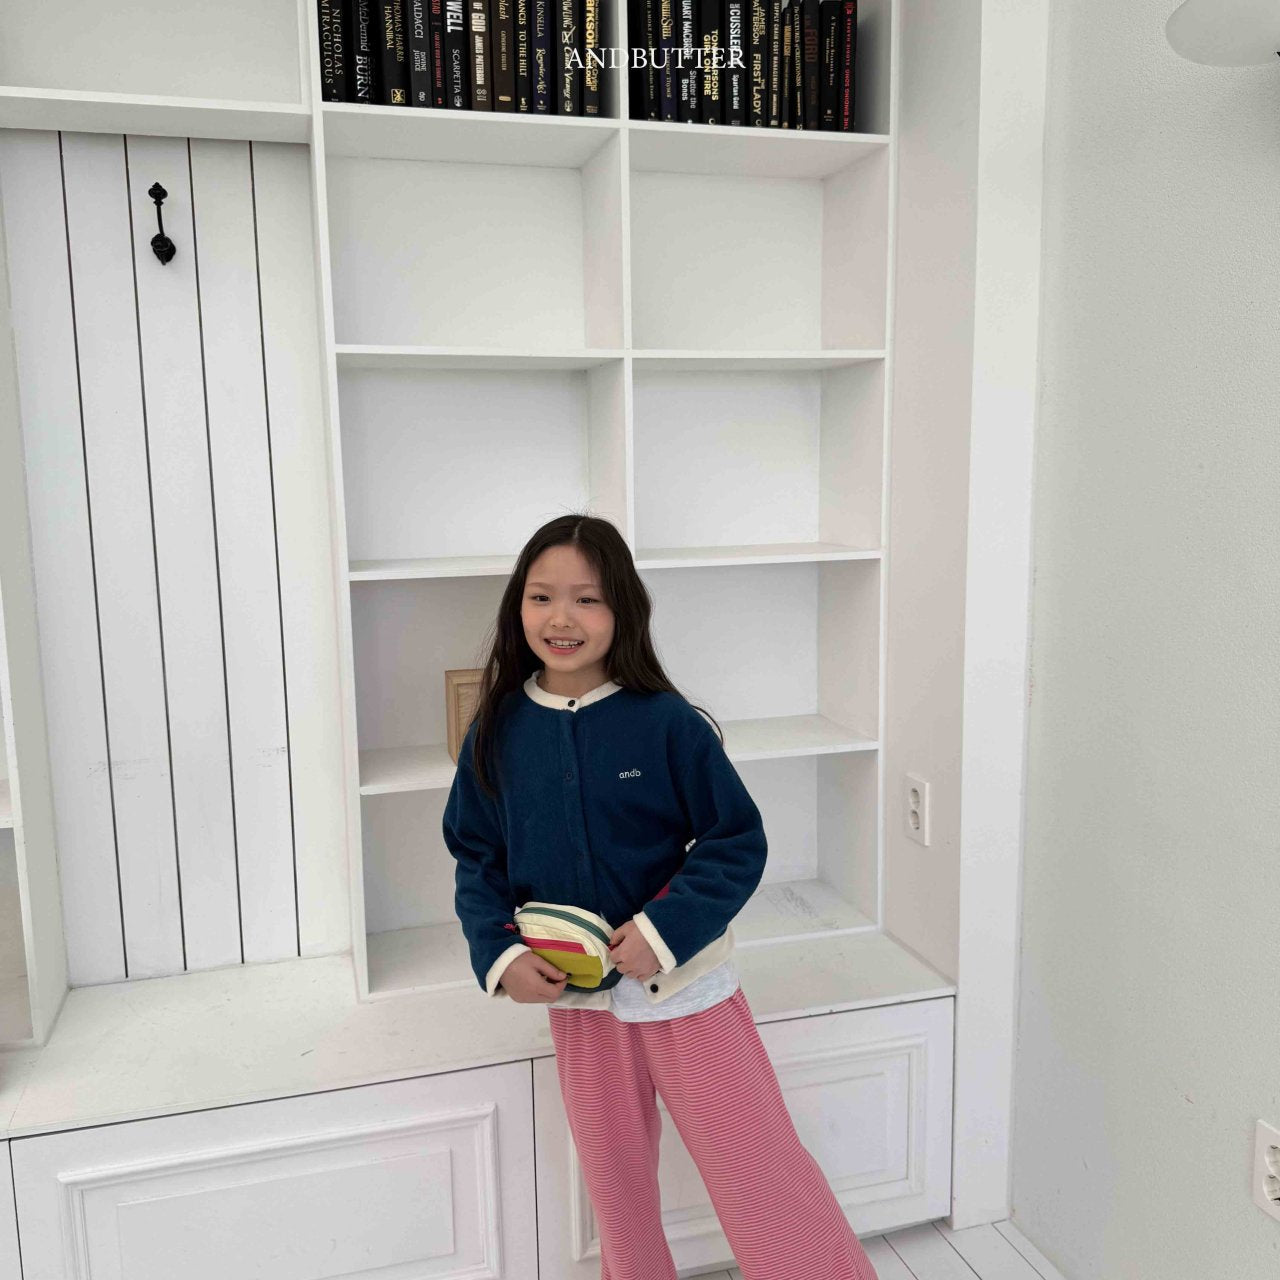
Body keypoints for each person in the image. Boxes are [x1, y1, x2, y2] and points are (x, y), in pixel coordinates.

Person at [443, 512, 879, 1280]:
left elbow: (735, 840)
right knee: (618, 1197)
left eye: (587, 598)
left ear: (623, 610)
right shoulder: (499, 730)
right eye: (542, 597)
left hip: (688, 993)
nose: (561, 618)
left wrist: (663, 929)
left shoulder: (667, 724)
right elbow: (476, 855)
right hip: (579, 1004)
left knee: (761, 1178)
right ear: (518, 607)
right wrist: (501, 954)